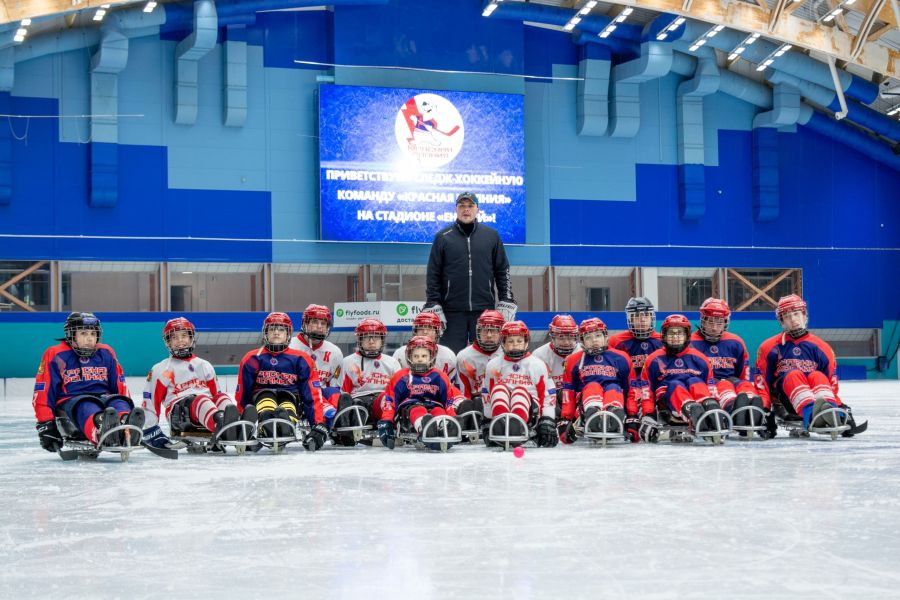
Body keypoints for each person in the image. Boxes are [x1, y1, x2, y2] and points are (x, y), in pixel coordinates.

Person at [33, 312, 144, 451]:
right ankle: (100, 430)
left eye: (93, 334)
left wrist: (124, 403)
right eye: (84, 333)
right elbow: (43, 391)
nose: (89, 339)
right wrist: (46, 424)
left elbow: (119, 385)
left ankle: (126, 425)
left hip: (103, 397)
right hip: (73, 400)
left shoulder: (106, 352)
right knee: (87, 405)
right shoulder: (56, 354)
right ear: (71, 335)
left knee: (118, 402)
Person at [423, 191, 516, 353]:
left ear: (478, 209)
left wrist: (506, 298)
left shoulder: (491, 236)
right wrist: (433, 302)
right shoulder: (443, 237)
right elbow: (433, 273)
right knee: (449, 356)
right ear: (456, 209)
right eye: (462, 206)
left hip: (484, 311)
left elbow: (502, 270)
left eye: (470, 206)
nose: (466, 210)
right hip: (451, 312)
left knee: (485, 356)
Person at [755, 295, 857, 433]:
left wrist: (841, 406)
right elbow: (763, 384)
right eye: (787, 316)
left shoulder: (822, 347)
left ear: (804, 315)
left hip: (816, 397)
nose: (793, 320)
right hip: (786, 402)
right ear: (782, 321)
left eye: (796, 314)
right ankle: (811, 416)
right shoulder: (769, 347)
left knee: (818, 376)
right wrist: (765, 409)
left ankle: (833, 413)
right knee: (793, 375)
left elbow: (831, 384)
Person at [235, 312, 329, 451]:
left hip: (291, 397)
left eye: (281, 329)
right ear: (265, 333)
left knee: (287, 403)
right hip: (261, 396)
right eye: (272, 329)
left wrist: (318, 424)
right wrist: (243, 425)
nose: (276, 333)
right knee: (266, 398)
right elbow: (243, 394)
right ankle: (267, 422)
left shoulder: (302, 359)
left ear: (288, 334)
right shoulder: (252, 358)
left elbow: (311, 395)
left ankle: (286, 423)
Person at [142, 317, 239, 449]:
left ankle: (236, 425)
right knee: (201, 400)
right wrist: (151, 430)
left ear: (191, 338)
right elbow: (151, 401)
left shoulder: (204, 365)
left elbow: (216, 394)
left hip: (205, 410)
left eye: (184, 335)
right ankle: (223, 426)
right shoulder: (163, 369)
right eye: (174, 337)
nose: (180, 340)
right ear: (168, 343)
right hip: (180, 415)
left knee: (221, 398)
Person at [690, 298, 773, 437]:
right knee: (724, 386)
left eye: (719, 322)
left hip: (732, 380)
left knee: (745, 385)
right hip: (707, 384)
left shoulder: (736, 341)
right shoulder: (691, 342)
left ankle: (753, 410)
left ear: (726, 322)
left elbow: (743, 374)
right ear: (702, 320)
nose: (714, 327)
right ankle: (733, 410)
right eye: (710, 321)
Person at [559, 318, 646, 443]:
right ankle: (593, 414)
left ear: (605, 337)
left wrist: (632, 416)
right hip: (585, 407)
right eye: (588, 337)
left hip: (616, 398)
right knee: (593, 386)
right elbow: (568, 394)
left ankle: (614, 414)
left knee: (613, 387)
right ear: (582, 341)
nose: (594, 340)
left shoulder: (621, 358)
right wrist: (565, 419)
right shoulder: (573, 361)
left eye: (598, 335)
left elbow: (631, 391)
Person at [375, 336, 466, 450]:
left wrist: (452, 417)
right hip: (409, 408)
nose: (420, 359)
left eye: (424, 356)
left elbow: (448, 401)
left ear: (431, 357)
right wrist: (387, 421)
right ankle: (424, 429)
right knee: (418, 410)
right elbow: (390, 401)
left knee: (439, 410)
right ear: (409, 357)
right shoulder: (401, 376)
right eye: (416, 356)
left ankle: (444, 429)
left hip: (434, 405)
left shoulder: (440, 376)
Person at [640, 314, 725, 436]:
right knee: (675, 384)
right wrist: (649, 414)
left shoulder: (701, 359)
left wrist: (715, 402)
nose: (675, 337)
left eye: (679, 333)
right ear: (664, 336)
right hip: (668, 407)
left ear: (687, 336)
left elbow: (710, 387)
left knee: (695, 381)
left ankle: (710, 408)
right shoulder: (653, 359)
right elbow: (646, 391)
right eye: (671, 333)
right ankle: (691, 408)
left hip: (697, 399)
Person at [482, 321, 558, 447]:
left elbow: (548, 395)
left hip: (530, 413)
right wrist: (487, 420)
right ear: (503, 343)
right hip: (502, 407)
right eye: (510, 341)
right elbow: (487, 395)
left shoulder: (537, 364)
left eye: (519, 341)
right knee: (499, 389)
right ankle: (499, 428)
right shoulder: (493, 365)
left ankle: (518, 429)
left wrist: (547, 420)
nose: (515, 345)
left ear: (526, 342)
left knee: (519, 392)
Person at [331, 318, 401, 445]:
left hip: (381, 403)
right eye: (367, 337)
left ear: (382, 340)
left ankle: (388, 426)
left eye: (376, 337)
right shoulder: (348, 361)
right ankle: (345, 433)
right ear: (360, 340)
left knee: (388, 397)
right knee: (345, 398)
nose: (371, 341)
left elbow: (397, 391)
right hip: (358, 399)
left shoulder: (392, 362)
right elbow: (342, 390)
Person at [393, 311, 458, 383]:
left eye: (430, 328)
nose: (425, 332)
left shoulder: (448, 355)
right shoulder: (400, 353)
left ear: (437, 332)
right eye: (421, 327)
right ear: (415, 331)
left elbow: (450, 387)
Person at [608, 297, 664, 377]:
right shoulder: (616, 341)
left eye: (646, 315)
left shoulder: (662, 340)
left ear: (651, 317)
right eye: (637, 315)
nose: (643, 319)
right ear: (630, 319)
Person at [532, 314, 580, 392]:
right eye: (561, 338)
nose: (566, 342)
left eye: (570, 337)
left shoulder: (582, 352)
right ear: (553, 337)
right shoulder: (539, 355)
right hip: (549, 397)